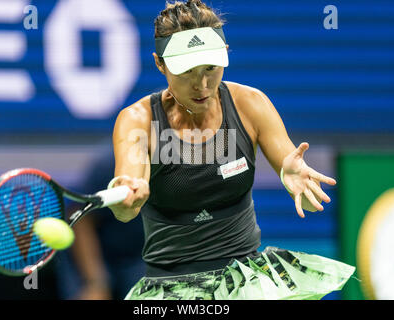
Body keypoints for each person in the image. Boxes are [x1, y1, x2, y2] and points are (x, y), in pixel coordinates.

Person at [106, 0, 355, 300]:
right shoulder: (138, 120)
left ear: (225, 55)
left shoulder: (251, 104)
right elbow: (126, 206)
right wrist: (126, 197)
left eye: (211, 68)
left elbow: (299, 178)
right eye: (187, 71)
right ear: (160, 64)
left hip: (247, 283)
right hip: (170, 290)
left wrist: (296, 178)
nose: (202, 84)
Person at [55, 144, 145, 300]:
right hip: (97, 255)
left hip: (139, 260)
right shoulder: (113, 162)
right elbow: (81, 220)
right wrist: (95, 282)